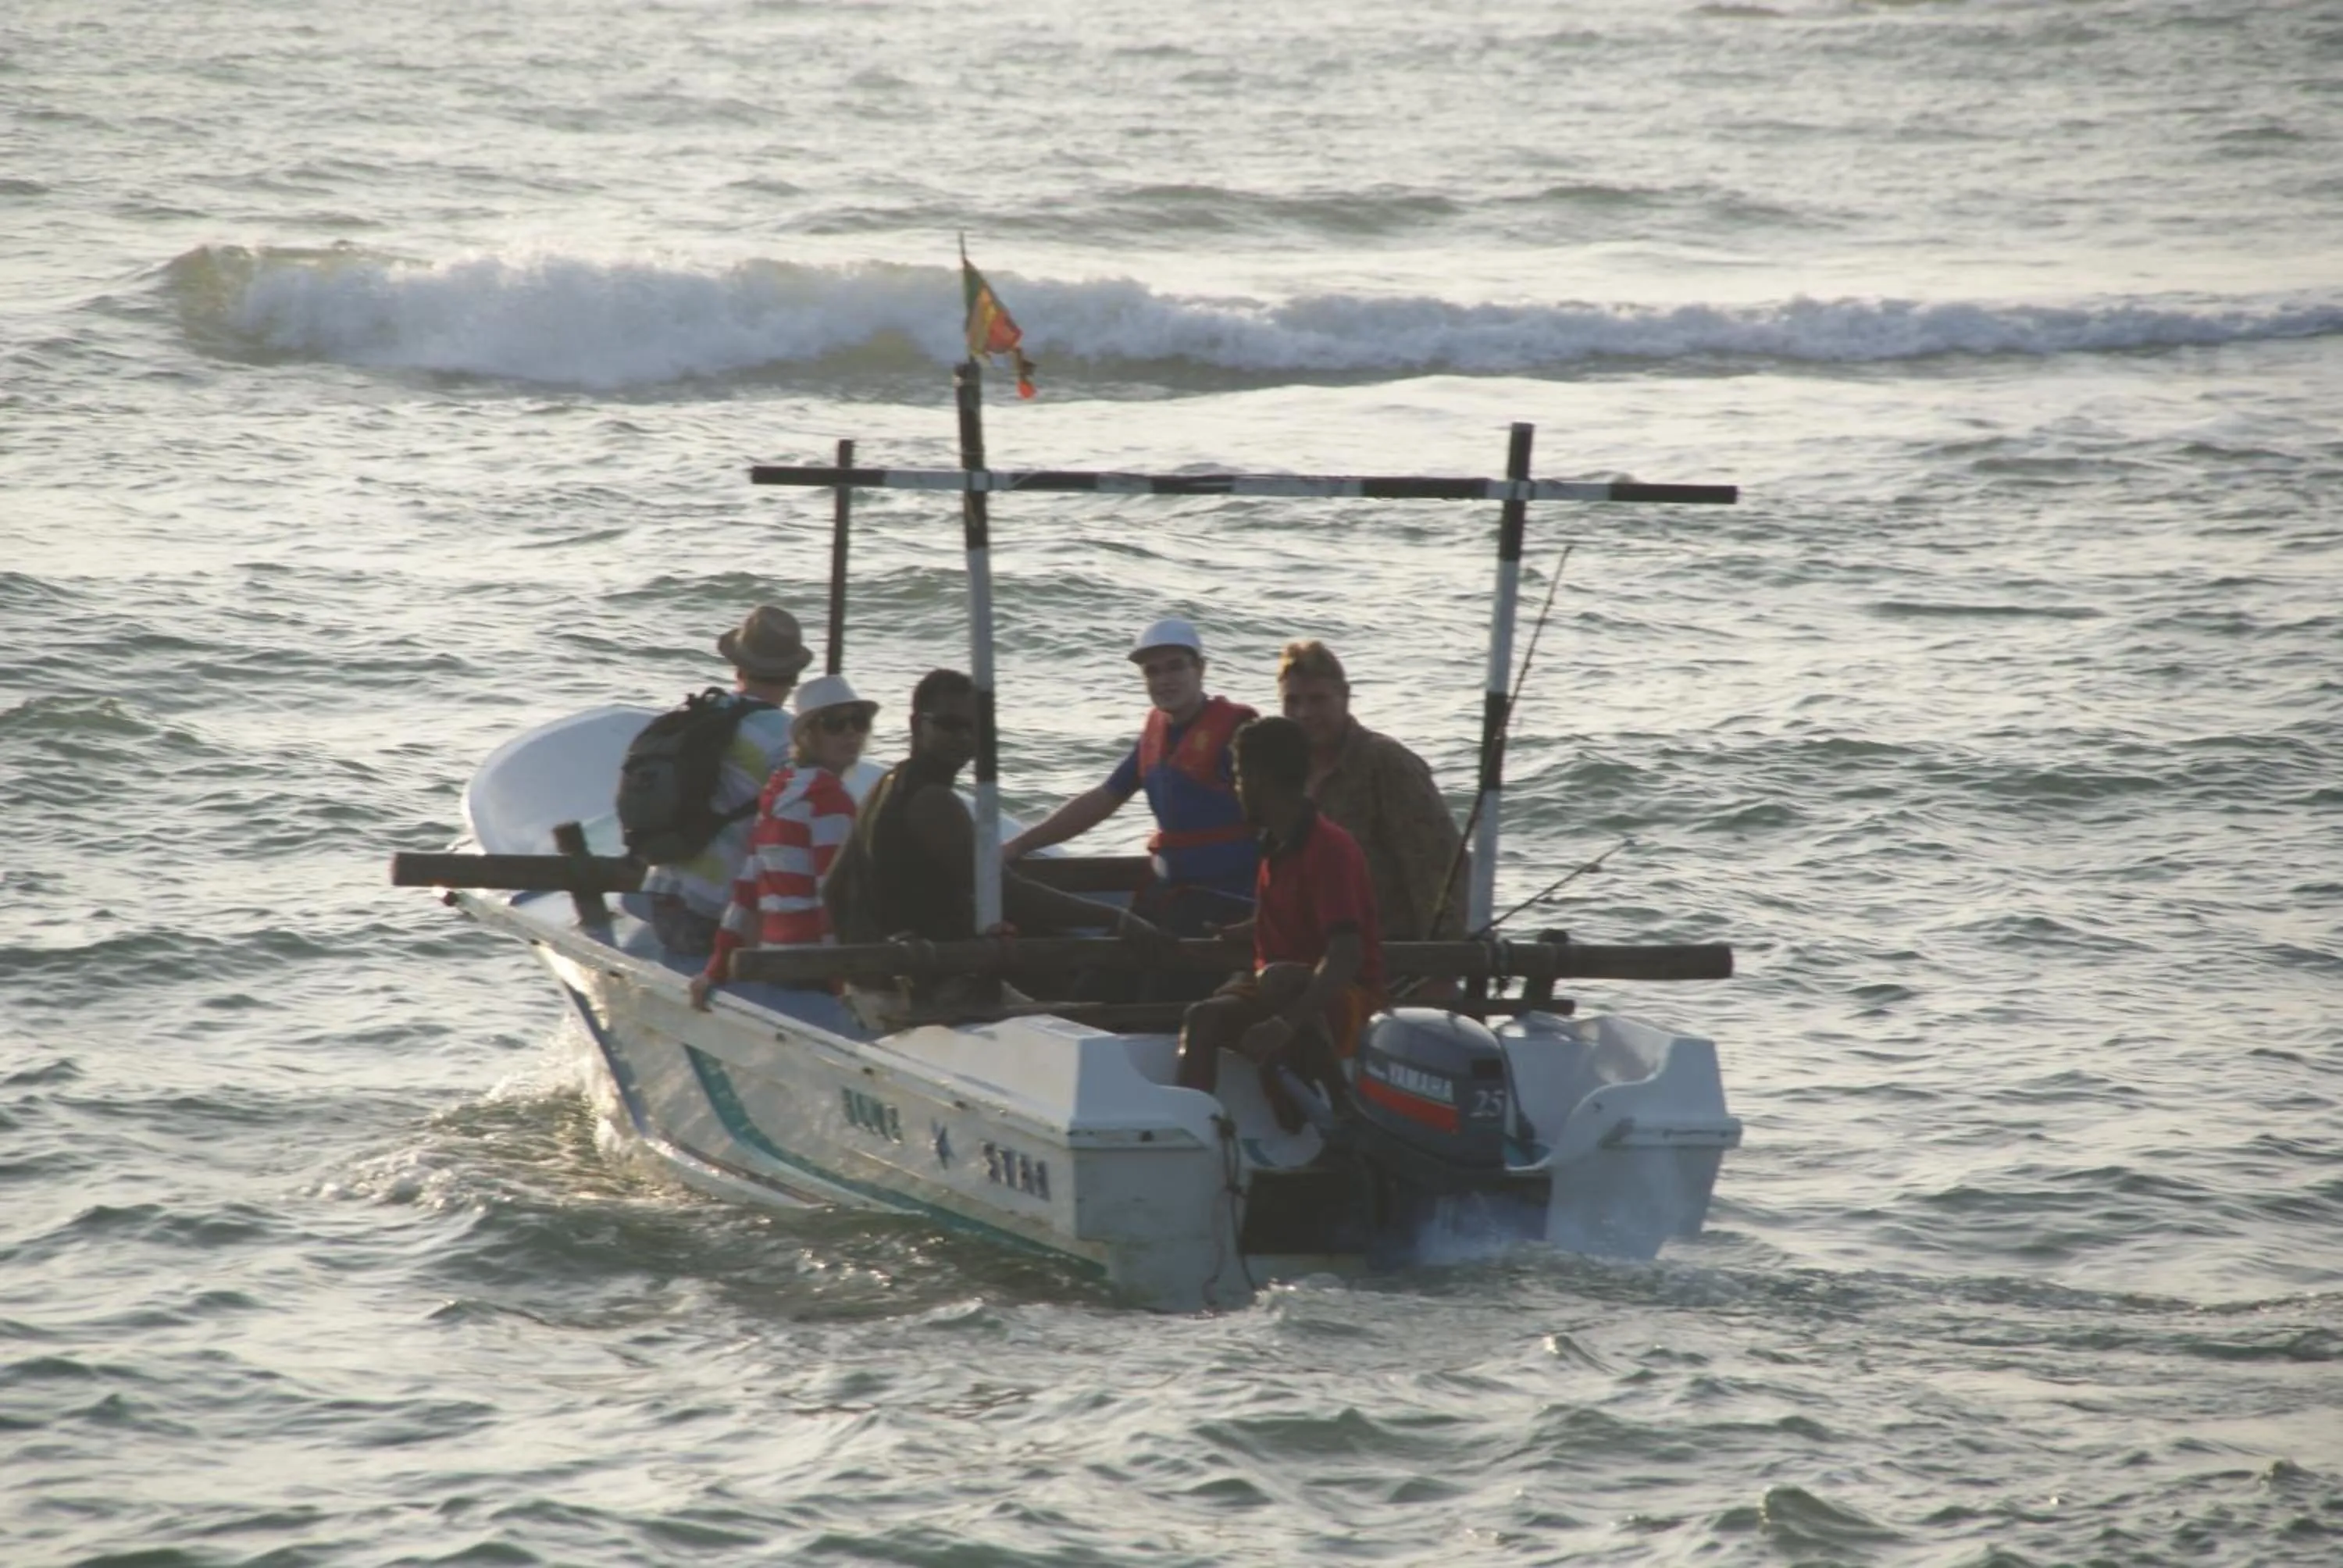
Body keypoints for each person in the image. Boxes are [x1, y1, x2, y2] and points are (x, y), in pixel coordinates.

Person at [828, 669, 1175, 1026]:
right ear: (918, 724)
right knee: (1086, 1023)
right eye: (949, 725)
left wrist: (866, 969)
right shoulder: (933, 801)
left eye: (973, 728)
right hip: (935, 992)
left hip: (885, 985)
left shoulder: (884, 786)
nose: (962, 738)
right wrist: (1115, 917)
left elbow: (834, 887)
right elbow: (1005, 890)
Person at [1176, 715, 1386, 1133]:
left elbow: (1346, 953)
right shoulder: (1276, 845)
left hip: (1344, 1001)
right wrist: (1250, 928)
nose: (1235, 788)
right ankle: (1192, 1132)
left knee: (1280, 979)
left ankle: (1341, 1106)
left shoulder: (1330, 848)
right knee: (1203, 1017)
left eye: (1237, 776)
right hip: (1278, 988)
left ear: (1260, 780)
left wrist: (1284, 1023)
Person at [1001, 616, 1257, 936]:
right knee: (1097, 976)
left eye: (1175, 666)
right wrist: (1018, 846)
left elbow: (1281, 814)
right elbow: (1103, 798)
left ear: (1200, 669)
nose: (1164, 679)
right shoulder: (1155, 736)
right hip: (1172, 890)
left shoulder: (1238, 735)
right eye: (1152, 671)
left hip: (1229, 899)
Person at [690, 673, 875, 1011]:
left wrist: (715, 970)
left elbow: (746, 890)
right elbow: (833, 898)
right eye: (835, 724)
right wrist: (844, 988)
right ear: (809, 736)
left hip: (778, 959)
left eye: (858, 722)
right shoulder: (828, 799)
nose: (850, 733)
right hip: (814, 968)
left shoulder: (780, 789)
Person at [638, 604, 811, 956]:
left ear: (738, 668)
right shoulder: (786, 740)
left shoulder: (702, 715)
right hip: (715, 920)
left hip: (661, 899)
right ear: (794, 677)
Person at [1275, 639, 1467, 942]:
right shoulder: (1283, 771)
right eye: (1293, 701)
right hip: (1309, 947)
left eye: (1318, 700)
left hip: (1387, 949)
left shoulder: (1386, 763)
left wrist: (1440, 962)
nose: (1304, 713)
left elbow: (1437, 865)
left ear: (1345, 697)